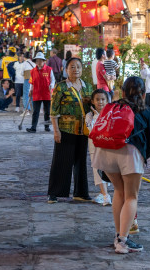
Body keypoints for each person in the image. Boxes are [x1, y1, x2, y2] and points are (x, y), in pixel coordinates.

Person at [92, 76, 150, 253]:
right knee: (131, 197)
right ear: (143, 94)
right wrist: (144, 159)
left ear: (122, 92)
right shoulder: (147, 112)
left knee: (119, 191)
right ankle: (122, 241)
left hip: (106, 151)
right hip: (130, 153)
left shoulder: (111, 107)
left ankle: (119, 235)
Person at [48, 58, 92, 203]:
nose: (76, 69)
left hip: (83, 130)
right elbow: (54, 110)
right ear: (66, 69)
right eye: (72, 67)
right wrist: (56, 131)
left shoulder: (87, 87)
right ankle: (54, 193)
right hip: (66, 129)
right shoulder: (61, 87)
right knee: (61, 161)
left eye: (78, 66)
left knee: (81, 161)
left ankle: (80, 192)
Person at [85, 89, 112, 206]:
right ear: (92, 101)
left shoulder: (111, 114)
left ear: (107, 101)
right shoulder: (89, 116)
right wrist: (97, 116)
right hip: (95, 148)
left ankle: (105, 195)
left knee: (107, 171)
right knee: (98, 171)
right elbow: (92, 130)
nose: (100, 102)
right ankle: (104, 194)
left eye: (103, 99)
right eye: (97, 99)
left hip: (108, 148)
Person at [26, 52, 55, 133]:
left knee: (47, 111)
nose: (39, 62)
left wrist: (51, 86)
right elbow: (31, 82)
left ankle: (47, 127)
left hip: (47, 93)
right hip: (36, 93)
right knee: (35, 112)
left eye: (40, 61)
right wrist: (29, 91)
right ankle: (33, 127)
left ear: (44, 61)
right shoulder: (33, 71)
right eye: (37, 61)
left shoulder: (49, 69)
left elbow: (53, 80)